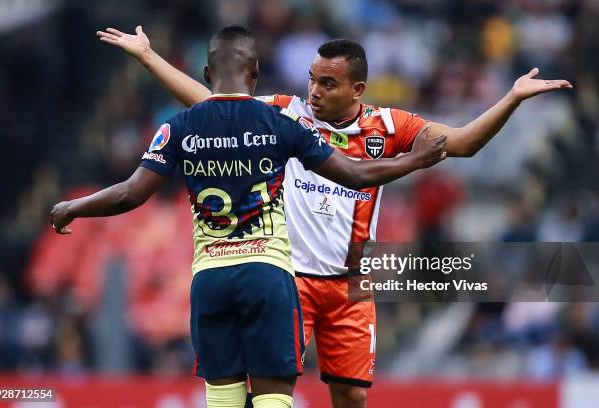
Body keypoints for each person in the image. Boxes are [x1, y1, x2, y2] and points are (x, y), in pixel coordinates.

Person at [96, 25, 572, 408]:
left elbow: (463, 142)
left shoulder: (391, 126)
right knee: (261, 391)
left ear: (357, 88)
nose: (314, 91)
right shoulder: (286, 114)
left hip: (350, 282)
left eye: (327, 83)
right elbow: (210, 104)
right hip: (288, 276)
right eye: (311, 79)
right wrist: (147, 56)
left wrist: (510, 97)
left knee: (352, 395)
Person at [54, 25, 447, 408]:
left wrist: (74, 206)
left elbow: (130, 193)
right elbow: (356, 173)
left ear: (208, 75)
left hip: (210, 276)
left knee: (224, 399)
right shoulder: (280, 124)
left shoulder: (178, 126)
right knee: (273, 397)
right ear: (255, 72)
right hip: (268, 274)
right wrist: (414, 160)